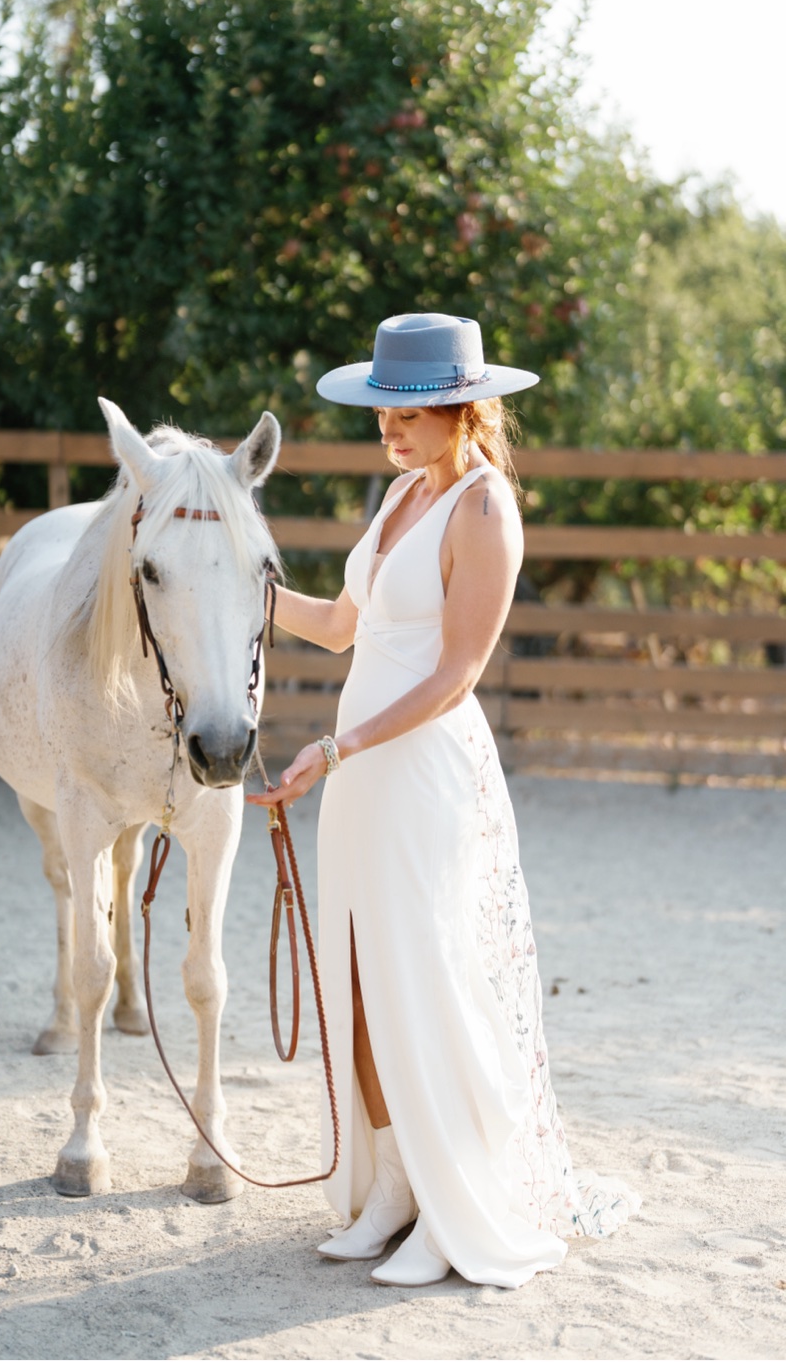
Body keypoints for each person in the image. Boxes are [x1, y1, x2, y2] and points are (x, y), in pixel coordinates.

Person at [247, 313, 637, 1289]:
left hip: (419, 775)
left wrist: (335, 744)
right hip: (359, 778)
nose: (389, 425)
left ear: (461, 407)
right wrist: (247, 590)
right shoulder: (396, 497)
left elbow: (454, 673)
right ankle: (388, 1184)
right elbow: (342, 629)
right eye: (383, 406)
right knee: (364, 984)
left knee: (427, 981)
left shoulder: (482, 509)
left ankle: (448, 1195)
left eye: (408, 408)